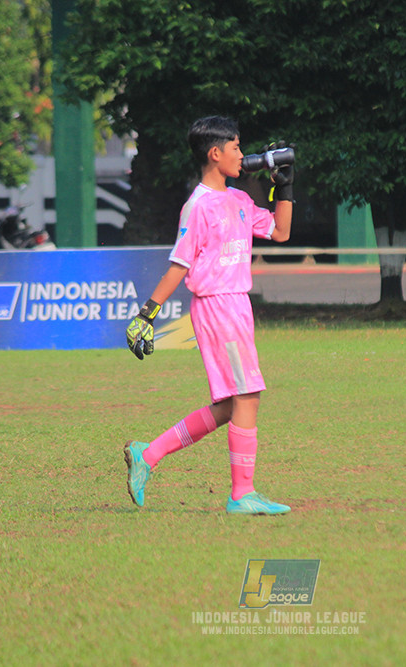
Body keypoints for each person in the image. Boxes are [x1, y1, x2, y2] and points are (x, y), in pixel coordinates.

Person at [123, 115, 295, 515]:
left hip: (238, 305)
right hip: (217, 306)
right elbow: (179, 265)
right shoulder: (197, 206)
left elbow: (281, 231)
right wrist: (146, 315)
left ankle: (148, 454)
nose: (242, 155)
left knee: (231, 405)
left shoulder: (238, 199)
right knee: (247, 395)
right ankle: (242, 494)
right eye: (236, 148)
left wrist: (284, 186)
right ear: (215, 154)